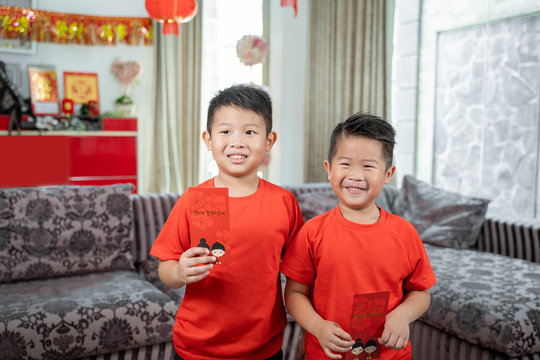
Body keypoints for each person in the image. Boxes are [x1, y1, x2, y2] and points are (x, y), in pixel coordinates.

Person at [150, 84, 304, 360]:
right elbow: (165, 269)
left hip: (263, 349)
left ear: (269, 141)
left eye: (250, 131)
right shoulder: (193, 200)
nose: (237, 141)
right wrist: (180, 273)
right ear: (208, 140)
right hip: (196, 348)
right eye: (225, 131)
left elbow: (302, 272)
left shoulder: (284, 203)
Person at [281, 112, 436, 359]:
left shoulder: (404, 233)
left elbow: (421, 292)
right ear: (328, 169)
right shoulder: (312, 232)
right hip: (326, 354)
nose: (355, 175)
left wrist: (402, 315)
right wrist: (317, 326)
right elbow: (295, 293)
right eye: (345, 164)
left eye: (368, 165)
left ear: (388, 174)